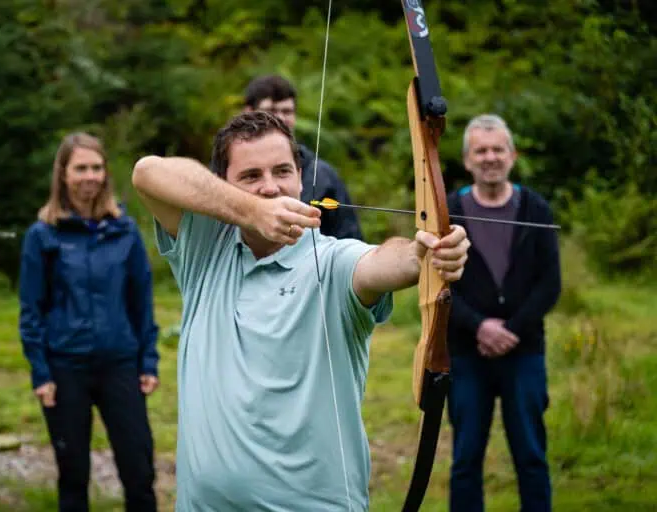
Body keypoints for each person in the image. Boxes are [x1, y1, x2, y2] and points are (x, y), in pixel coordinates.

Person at [130, 111, 470, 511]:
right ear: (225, 186)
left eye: (282, 171)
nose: (271, 187)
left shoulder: (332, 261)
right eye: (251, 175)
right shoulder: (205, 251)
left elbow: (385, 262)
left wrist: (422, 256)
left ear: (301, 176)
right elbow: (147, 172)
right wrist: (251, 211)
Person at [19, 132, 160, 512]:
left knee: (139, 469)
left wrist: (148, 359)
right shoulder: (42, 236)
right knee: (73, 474)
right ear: (63, 174)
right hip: (66, 367)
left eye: (97, 167)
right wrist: (40, 372)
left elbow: (141, 301)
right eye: (81, 168)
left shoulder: (125, 232)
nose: (90, 176)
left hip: (120, 364)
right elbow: (31, 310)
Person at [446, 114, 561, 512]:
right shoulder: (449, 212)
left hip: (523, 351)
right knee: (465, 460)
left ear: (512, 156)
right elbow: (439, 286)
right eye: (481, 150)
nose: (490, 157)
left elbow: (550, 284)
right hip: (465, 354)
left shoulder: (536, 208)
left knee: (530, 456)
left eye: (498, 149)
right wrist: (478, 327)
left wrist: (510, 329)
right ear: (467, 160)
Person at [242, 74, 363, 240]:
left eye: (287, 111)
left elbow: (350, 239)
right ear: (249, 112)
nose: (280, 118)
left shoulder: (322, 176)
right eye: (270, 111)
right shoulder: (227, 169)